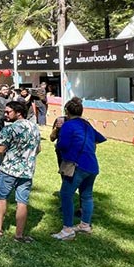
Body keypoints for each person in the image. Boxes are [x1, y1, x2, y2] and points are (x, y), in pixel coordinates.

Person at [0, 100, 41, 243]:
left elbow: (1, 148)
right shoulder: (34, 127)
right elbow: (38, 149)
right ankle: (19, 235)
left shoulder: (9, 129)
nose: (5, 114)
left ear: (19, 113)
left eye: (8, 112)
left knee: (2, 198)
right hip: (27, 171)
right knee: (22, 202)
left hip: (9, 170)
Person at [52, 97, 107, 240]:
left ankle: (67, 229)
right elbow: (100, 138)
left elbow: (62, 145)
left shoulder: (68, 126)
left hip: (77, 165)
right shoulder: (87, 124)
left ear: (67, 112)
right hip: (92, 165)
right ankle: (85, 225)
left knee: (66, 194)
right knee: (87, 195)